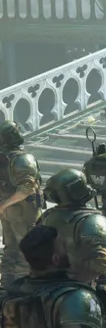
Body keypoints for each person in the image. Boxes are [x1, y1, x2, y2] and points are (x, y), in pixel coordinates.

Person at [38, 169, 106, 328]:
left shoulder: (47, 217)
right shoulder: (93, 221)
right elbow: (101, 265)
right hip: (91, 290)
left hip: (53, 291)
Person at [0, 119, 42, 290]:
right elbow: (28, 188)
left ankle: (7, 287)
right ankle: (24, 289)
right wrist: (5, 204)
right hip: (23, 212)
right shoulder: (22, 159)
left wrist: (3, 205)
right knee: (27, 251)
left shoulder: (4, 158)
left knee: (10, 250)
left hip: (8, 211)